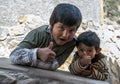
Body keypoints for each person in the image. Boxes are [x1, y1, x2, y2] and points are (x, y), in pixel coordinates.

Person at [9, 3, 82, 71]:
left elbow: (54, 66)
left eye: (71, 30)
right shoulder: (39, 34)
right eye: (61, 28)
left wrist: (30, 60)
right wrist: (37, 53)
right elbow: (13, 56)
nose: (65, 35)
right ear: (52, 24)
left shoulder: (71, 42)